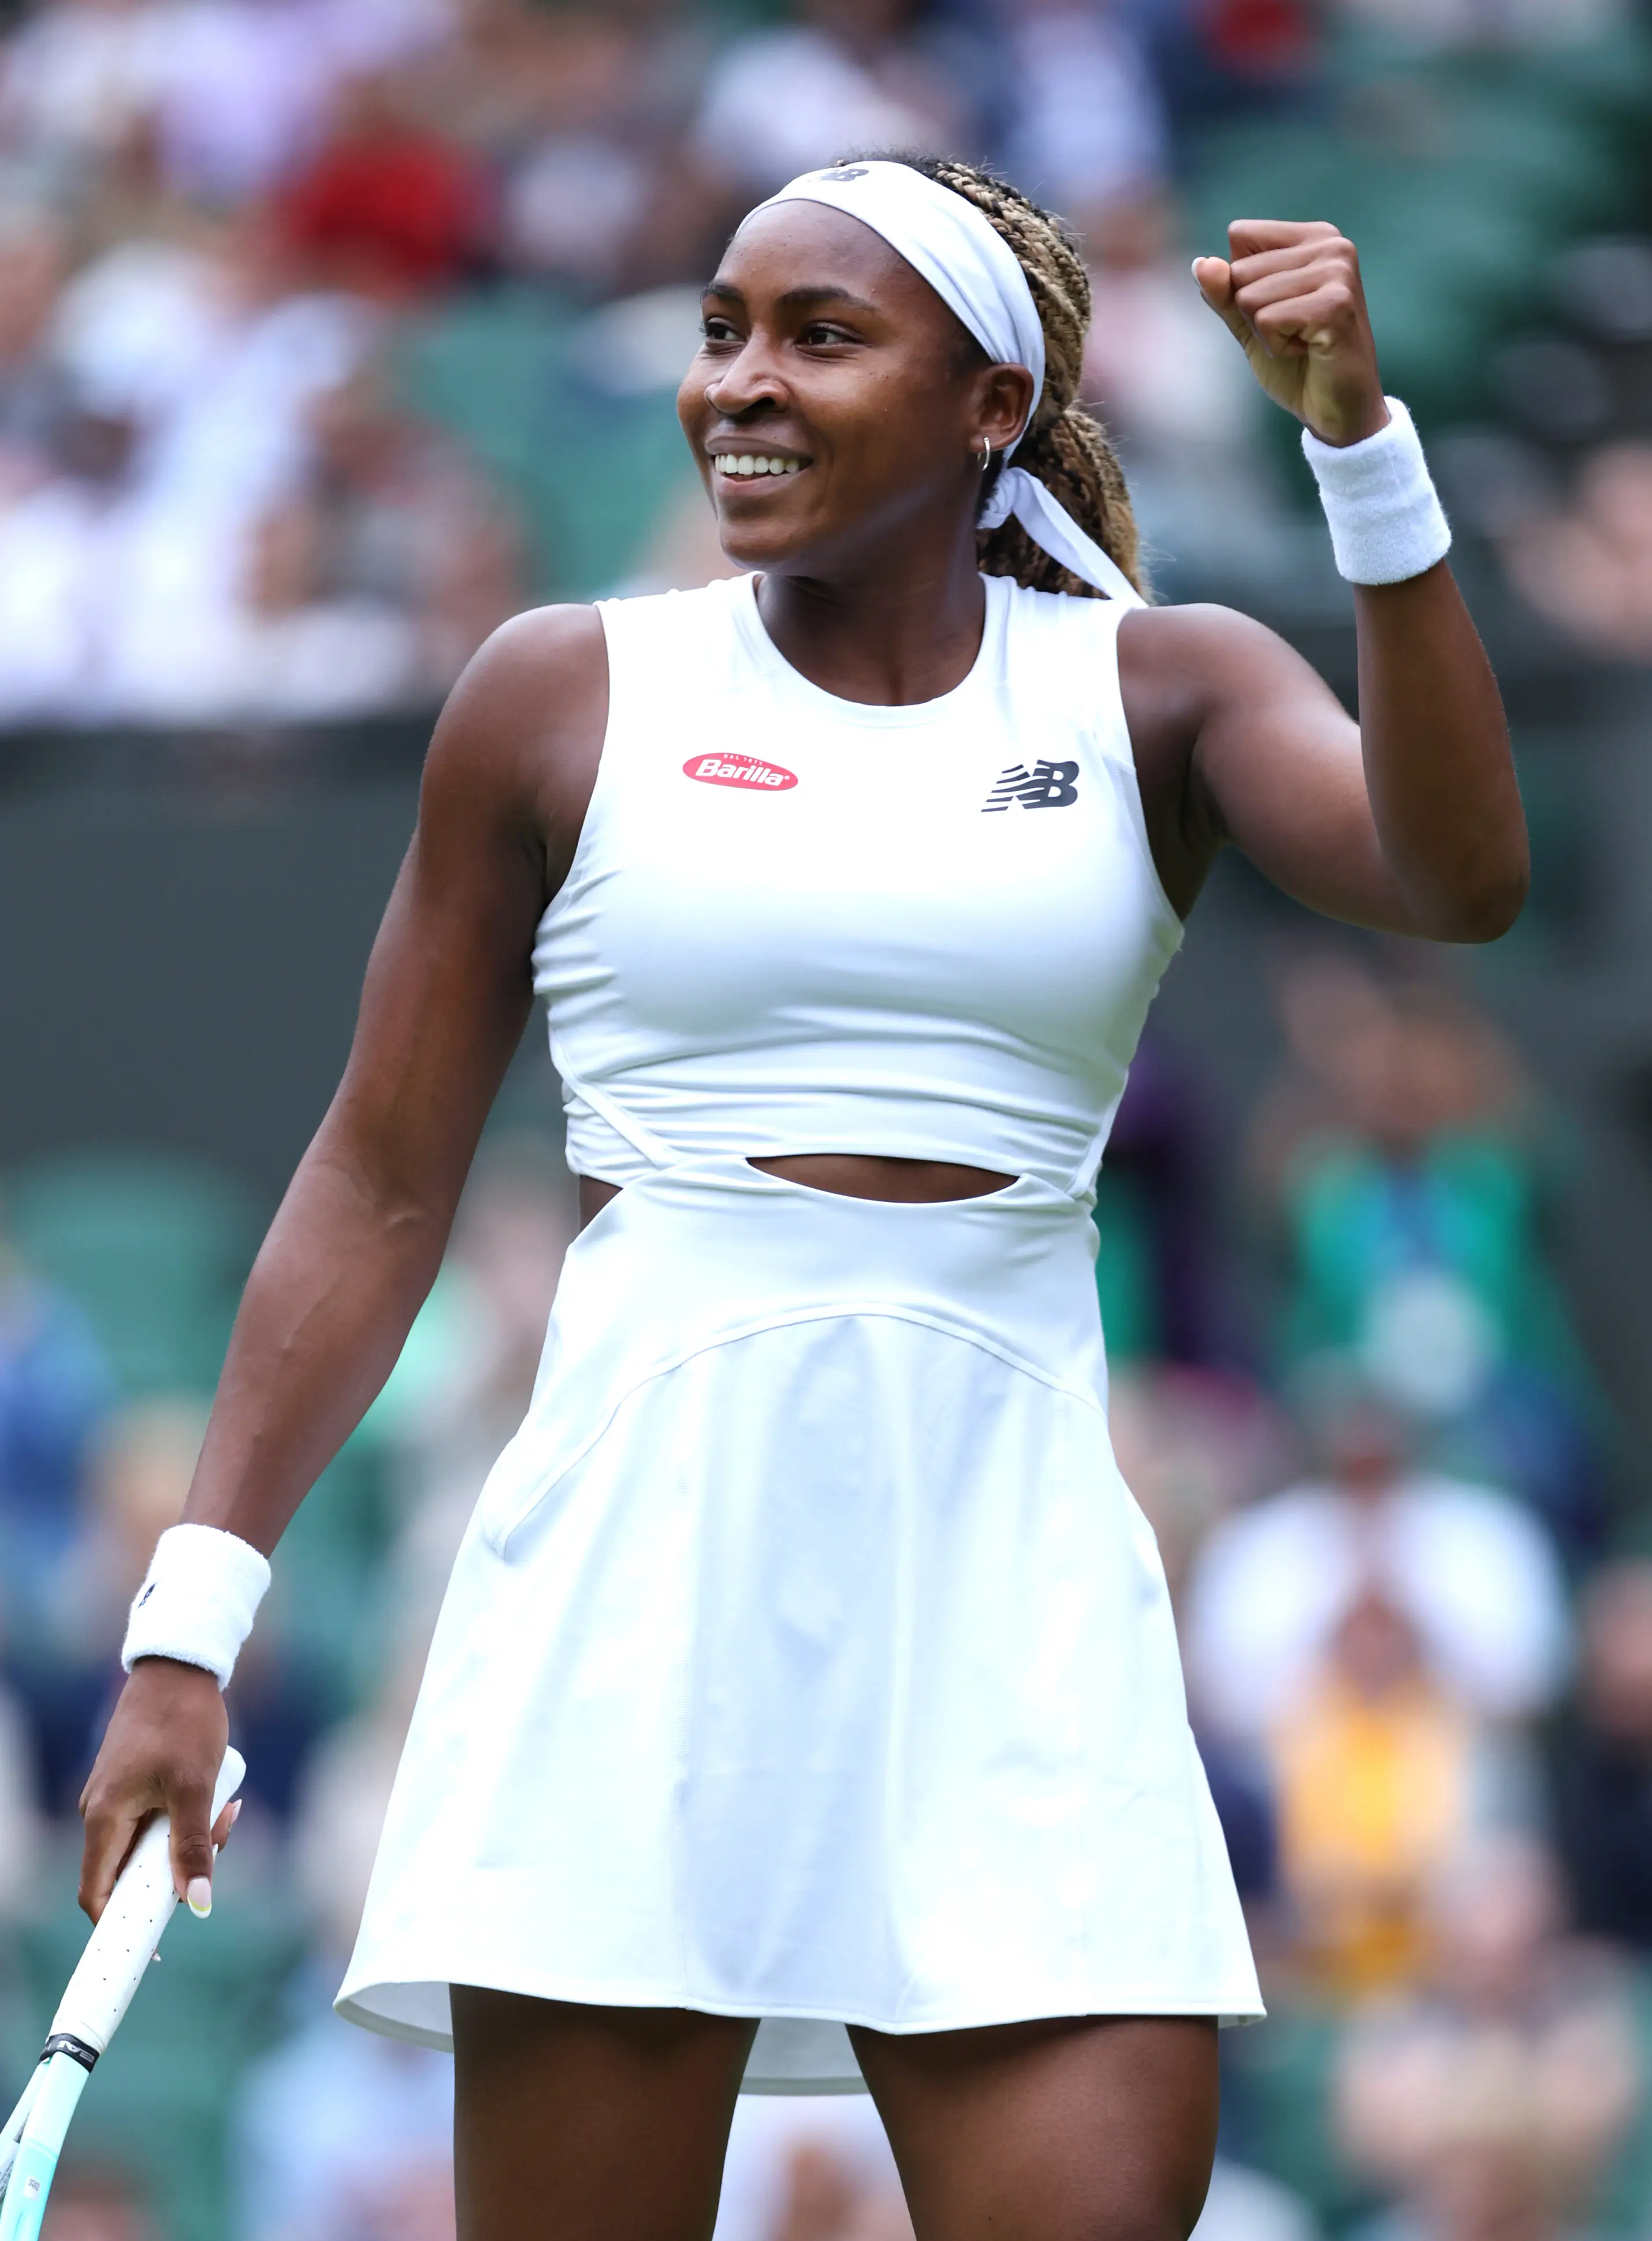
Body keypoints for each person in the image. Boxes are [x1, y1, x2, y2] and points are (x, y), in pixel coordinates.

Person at [77, 153, 1525, 2241]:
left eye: (821, 337)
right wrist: (187, 1633)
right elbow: (379, 1181)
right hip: (633, 1593)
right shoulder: (560, 692)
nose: (739, 383)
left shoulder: (1163, 686)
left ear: (992, 408)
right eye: (722, 331)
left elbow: (1457, 879)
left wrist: (1363, 457)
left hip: (1019, 1592)